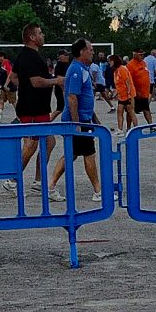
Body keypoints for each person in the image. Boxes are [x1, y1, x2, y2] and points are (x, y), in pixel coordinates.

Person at [6, 24, 63, 189]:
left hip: (38, 108)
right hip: (32, 109)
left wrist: (24, 88)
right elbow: (36, 82)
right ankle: (12, 179)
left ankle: (38, 181)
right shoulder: (30, 57)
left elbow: (14, 76)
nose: (42, 35)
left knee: (49, 142)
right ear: (32, 37)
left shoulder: (25, 55)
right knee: (31, 145)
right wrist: (57, 81)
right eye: (40, 33)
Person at [48, 40, 103, 200]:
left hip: (83, 120)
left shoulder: (83, 69)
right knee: (89, 153)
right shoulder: (76, 70)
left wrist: (95, 119)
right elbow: (72, 97)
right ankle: (98, 191)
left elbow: (85, 99)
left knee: (70, 154)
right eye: (90, 49)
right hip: (78, 122)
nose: (92, 52)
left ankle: (51, 186)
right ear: (81, 52)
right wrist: (77, 123)